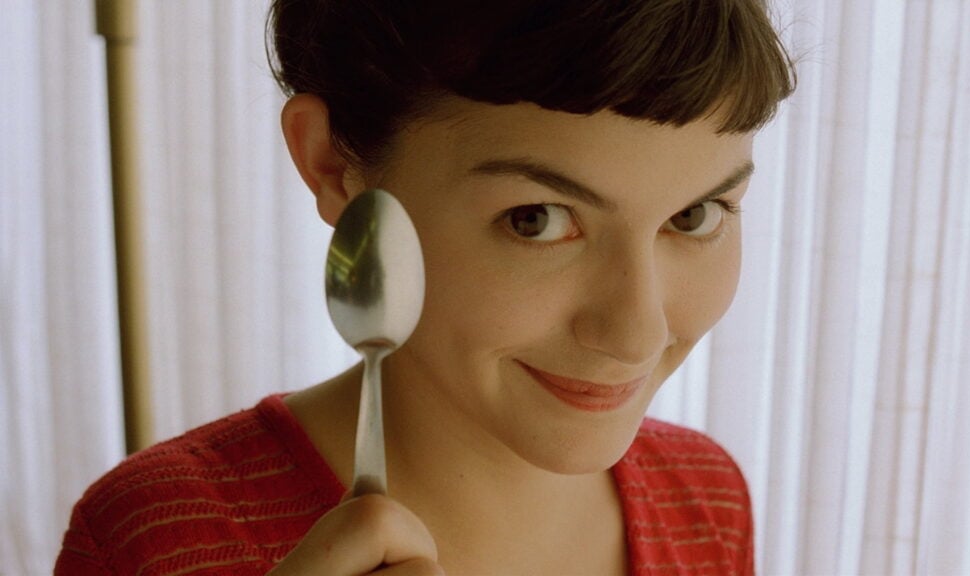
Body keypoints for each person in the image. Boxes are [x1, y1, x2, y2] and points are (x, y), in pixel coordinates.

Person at [55, 0, 794, 574]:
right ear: (334, 165)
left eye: (695, 216)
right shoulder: (155, 540)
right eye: (536, 219)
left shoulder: (706, 497)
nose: (636, 333)